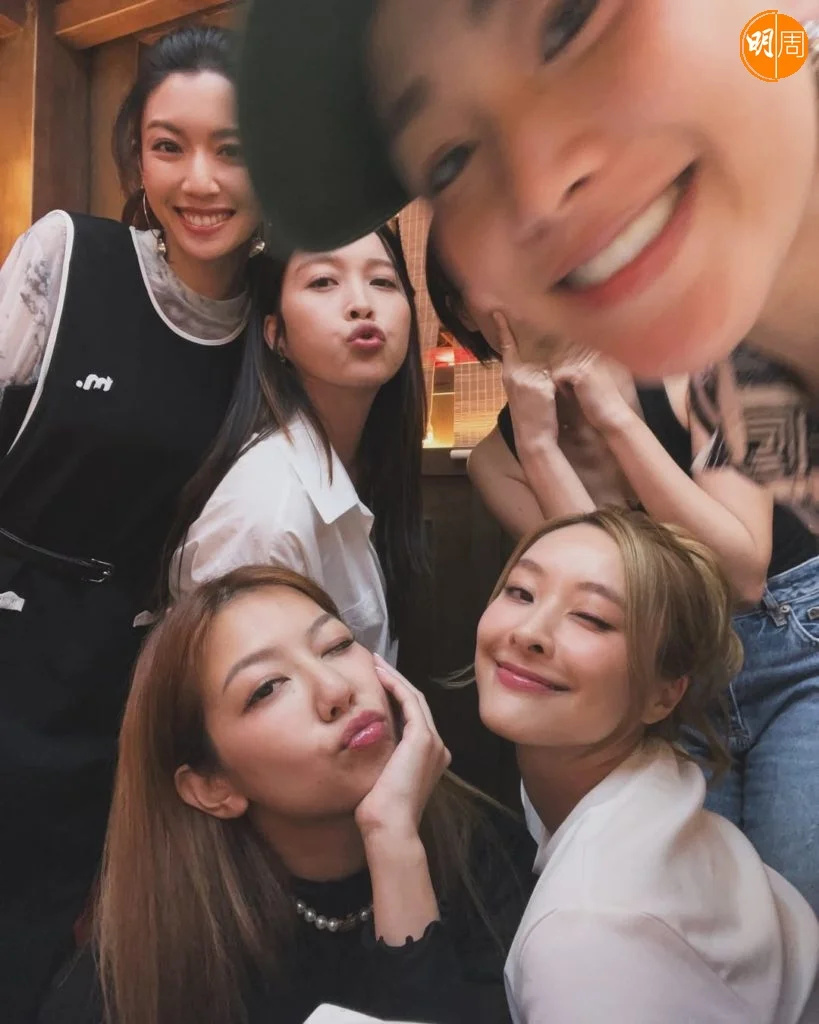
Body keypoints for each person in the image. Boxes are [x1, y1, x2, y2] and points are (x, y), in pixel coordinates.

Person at [234, 0, 819, 528]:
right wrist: (538, 446)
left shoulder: (707, 379)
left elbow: (742, 566)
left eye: (569, 22)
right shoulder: (745, 383)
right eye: (449, 161)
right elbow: (643, 591)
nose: (537, 193)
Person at [426, 238, 819, 912]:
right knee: (700, 913)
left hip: (798, 655)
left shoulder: (712, 360)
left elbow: (741, 570)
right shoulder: (499, 461)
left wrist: (612, 415)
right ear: (462, 310)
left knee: (799, 904)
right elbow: (620, 596)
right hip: (670, 690)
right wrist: (540, 445)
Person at [0, 25, 263, 1022]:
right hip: (10, 631)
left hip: (123, 685)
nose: (200, 180)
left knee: (46, 945)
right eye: (168, 146)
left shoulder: (277, 324)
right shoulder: (72, 256)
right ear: (136, 159)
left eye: (233, 149)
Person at [38, 566, 535, 1024]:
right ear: (211, 787)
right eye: (268, 688)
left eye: (337, 645)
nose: (335, 689)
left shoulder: (489, 855)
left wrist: (393, 843)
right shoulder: (148, 962)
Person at [472, 507, 819, 1023]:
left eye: (592, 618)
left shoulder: (588, 932)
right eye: (521, 592)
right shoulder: (647, 778)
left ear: (664, 695)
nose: (529, 632)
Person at [166, 225, 426, 661]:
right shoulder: (267, 516)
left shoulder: (367, 464)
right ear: (276, 335)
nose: (362, 303)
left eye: (382, 281)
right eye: (323, 281)